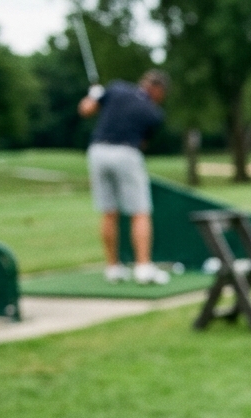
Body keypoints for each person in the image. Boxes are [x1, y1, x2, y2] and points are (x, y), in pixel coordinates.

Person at [78, 70, 169, 285]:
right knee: (140, 212)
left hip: (97, 152)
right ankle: (143, 267)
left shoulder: (116, 88)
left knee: (108, 211)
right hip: (126, 153)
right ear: (157, 90)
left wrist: (94, 95)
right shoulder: (154, 113)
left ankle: (113, 268)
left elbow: (85, 109)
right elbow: (143, 143)